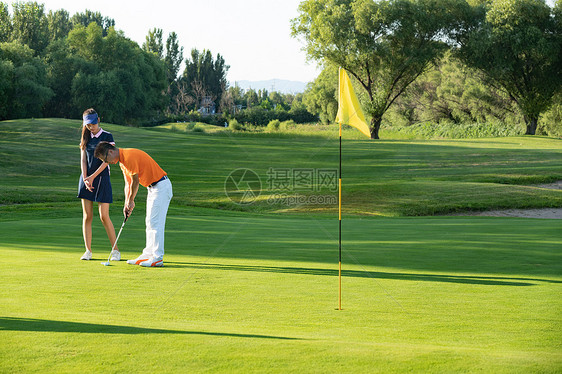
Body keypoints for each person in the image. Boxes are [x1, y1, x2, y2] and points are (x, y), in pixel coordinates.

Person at [94, 142, 173, 267]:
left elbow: (135, 182)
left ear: (110, 152)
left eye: (105, 159)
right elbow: (128, 184)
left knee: (155, 223)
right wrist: (127, 203)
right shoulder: (122, 162)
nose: (107, 162)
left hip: (161, 186)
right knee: (149, 222)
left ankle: (157, 257)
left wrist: (131, 200)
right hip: (153, 188)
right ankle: (148, 254)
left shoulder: (129, 156)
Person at [77, 108, 120, 261]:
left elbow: (107, 161)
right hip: (86, 179)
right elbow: (83, 159)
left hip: (101, 179)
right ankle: (88, 251)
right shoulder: (85, 136)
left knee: (104, 216)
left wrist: (92, 177)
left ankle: (115, 251)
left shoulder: (107, 136)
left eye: (93, 124)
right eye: (88, 125)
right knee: (87, 216)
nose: (91, 127)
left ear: (98, 120)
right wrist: (86, 177)